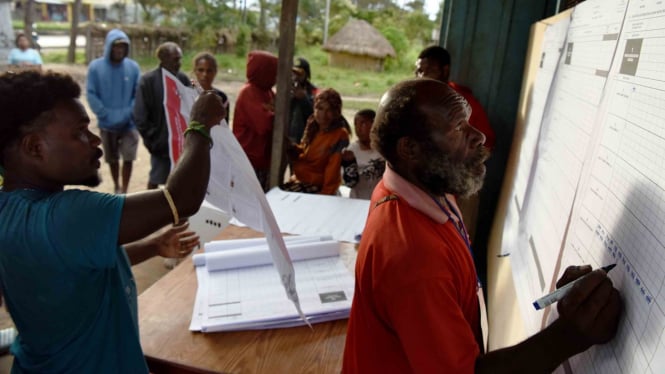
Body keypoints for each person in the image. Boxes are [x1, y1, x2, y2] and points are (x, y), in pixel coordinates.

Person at [342, 79, 622, 373]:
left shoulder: (423, 188)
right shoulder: (412, 254)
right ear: (410, 148)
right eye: (458, 128)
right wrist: (569, 335)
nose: (478, 137)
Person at [0, 70, 225, 372]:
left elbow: (76, 263)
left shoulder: (10, 211)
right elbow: (181, 199)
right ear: (34, 147)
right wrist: (199, 125)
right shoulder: (69, 214)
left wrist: (153, 246)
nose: (95, 140)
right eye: (80, 132)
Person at [86, 28, 141, 194]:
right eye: (116, 46)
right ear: (109, 47)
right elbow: (91, 93)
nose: (119, 50)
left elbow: (137, 93)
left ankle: (125, 188)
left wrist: (128, 113)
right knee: (112, 158)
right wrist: (104, 113)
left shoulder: (133, 67)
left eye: (123, 47)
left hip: (129, 123)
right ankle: (116, 185)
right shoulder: (96, 67)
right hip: (107, 123)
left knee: (129, 157)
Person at [134, 41, 191, 189]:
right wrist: (155, 139)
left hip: (181, 144)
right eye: (175, 59)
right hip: (160, 145)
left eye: (180, 59)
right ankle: (150, 211)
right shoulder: (148, 81)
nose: (179, 63)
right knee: (156, 178)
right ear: (163, 59)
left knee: (180, 182)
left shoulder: (183, 80)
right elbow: (140, 116)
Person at [415, 45, 495, 149]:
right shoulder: (418, 98)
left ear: (445, 71)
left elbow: (488, 142)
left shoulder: (463, 101)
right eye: (419, 71)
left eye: (428, 70)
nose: (421, 76)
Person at [284, 88, 350, 195]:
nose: (323, 115)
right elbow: (306, 155)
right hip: (301, 179)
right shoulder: (313, 126)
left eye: (329, 110)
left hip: (319, 187)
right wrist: (292, 148)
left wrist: (324, 196)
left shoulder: (340, 135)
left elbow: (332, 171)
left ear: (336, 112)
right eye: (319, 109)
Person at [232, 50, 278, 191]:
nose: (276, 77)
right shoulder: (249, 92)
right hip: (249, 159)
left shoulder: (267, 91)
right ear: (263, 71)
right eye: (273, 71)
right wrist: (275, 113)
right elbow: (264, 124)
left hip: (262, 159)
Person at [341, 109, 385, 199]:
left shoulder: (384, 150)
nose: (362, 128)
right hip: (358, 200)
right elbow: (350, 183)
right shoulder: (351, 151)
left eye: (366, 123)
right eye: (358, 124)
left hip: (380, 200)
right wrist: (349, 164)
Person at [192, 51, 230, 123]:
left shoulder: (222, 98)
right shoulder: (187, 94)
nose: (205, 74)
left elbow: (225, 127)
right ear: (194, 71)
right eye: (201, 70)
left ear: (215, 72)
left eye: (209, 71)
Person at [288, 57, 319, 144]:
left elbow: (316, 115)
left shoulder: (314, 91)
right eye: (294, 73)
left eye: (299, 73)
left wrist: (303, 99)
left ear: (306, 74)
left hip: (305, 137)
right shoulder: (286, 89)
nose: (296, 76)